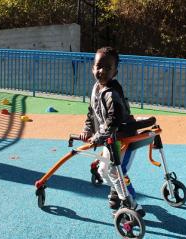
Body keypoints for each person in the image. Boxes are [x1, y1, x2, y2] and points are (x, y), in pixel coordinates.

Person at [80, 46, 145, 217]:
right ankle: (118, 192)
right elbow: (91, 113)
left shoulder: (111, 93)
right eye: (99, 66)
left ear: (115, 72)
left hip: (124, 138)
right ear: (92, 68)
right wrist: (87, 129)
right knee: (103, 171)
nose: (102, 71)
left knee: (116, 171)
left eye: (108, 68)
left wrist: (99, 136)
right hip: (109, 139)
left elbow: (114, 120)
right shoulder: (96, 89)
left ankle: (131, 202)